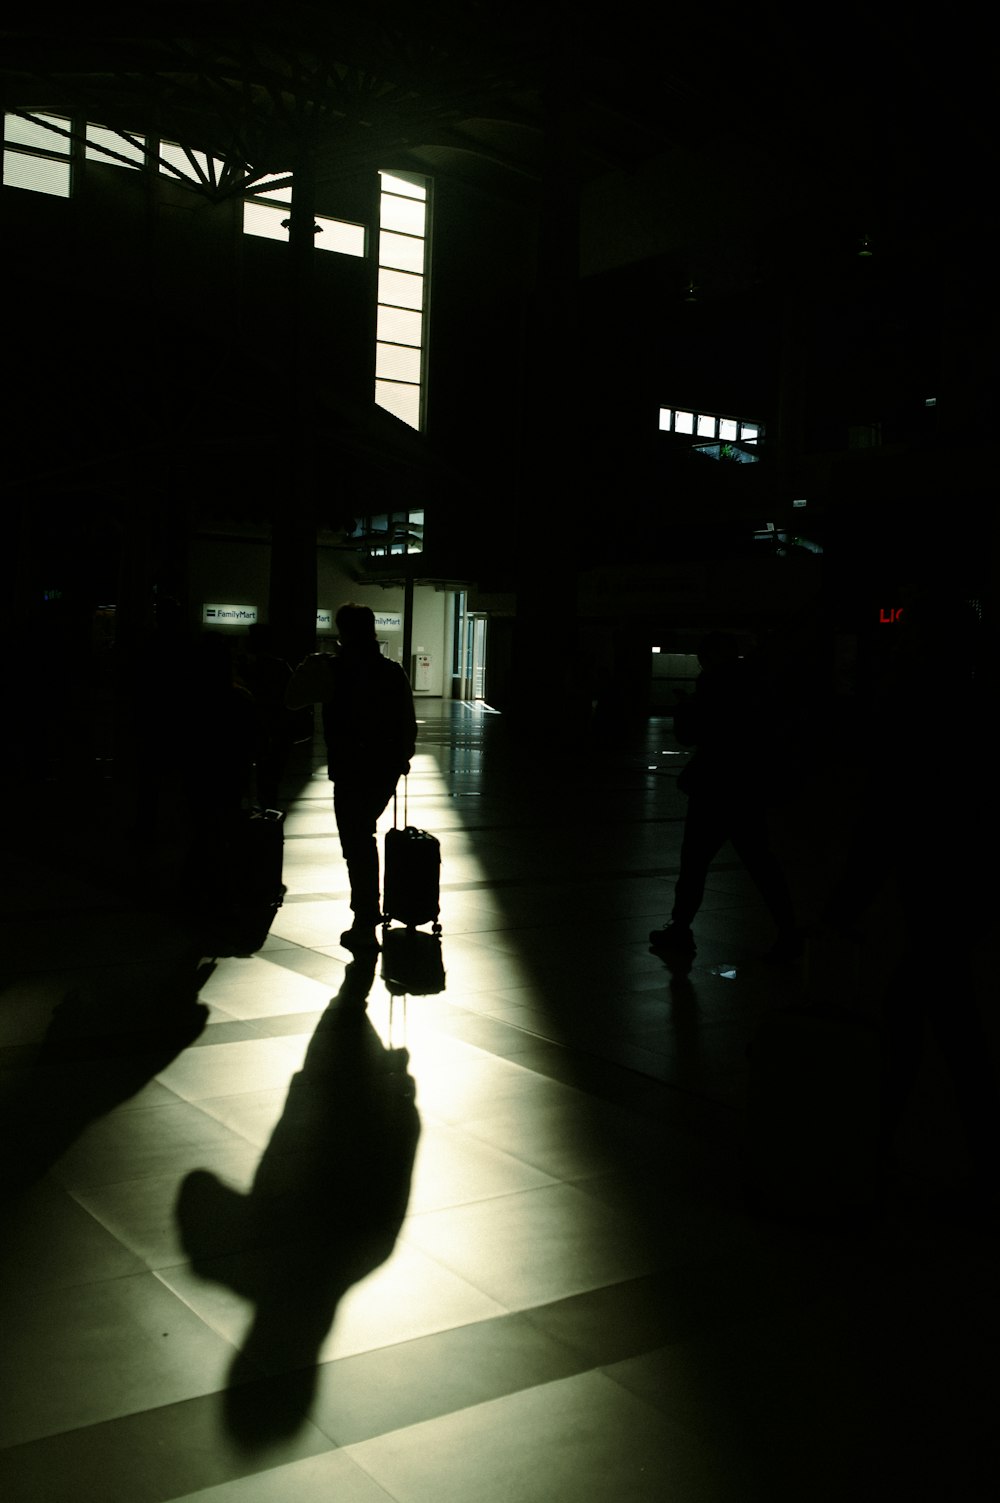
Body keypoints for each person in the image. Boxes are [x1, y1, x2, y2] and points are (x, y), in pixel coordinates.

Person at [649, 632, 799, 961]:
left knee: (694, 862)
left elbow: (693, 733)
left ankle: (681, 928)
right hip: (746, 787)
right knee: (761, 862)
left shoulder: (713, 683)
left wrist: (685, 708)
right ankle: (789, 929)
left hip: (714, 788)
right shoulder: (758, 685)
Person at [286, 603, 417, 952]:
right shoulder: (392, 670)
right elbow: (407, 720)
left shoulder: (332, 669)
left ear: (342, 632)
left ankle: (365, 916)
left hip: (348, 768)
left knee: (357, 841)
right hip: (384, 769)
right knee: (362, 836)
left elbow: (292, 700)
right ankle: (367, 912)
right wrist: (401, 759)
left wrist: (307, 665)